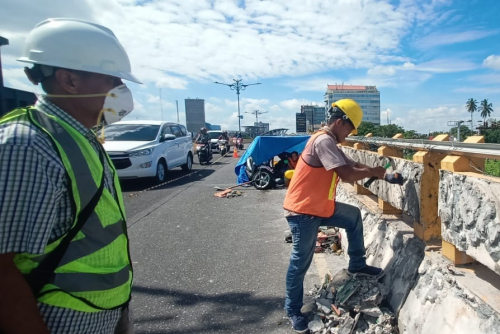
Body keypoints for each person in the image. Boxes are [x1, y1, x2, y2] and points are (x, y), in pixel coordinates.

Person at [0, 18, 140, 334]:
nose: (121, 90)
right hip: (60, 317)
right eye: (112, 79)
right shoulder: (27, 144)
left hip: (103, 311)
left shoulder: (82, 136)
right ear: (69, 80)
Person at [282, 99, 389, 333]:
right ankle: (292, 310)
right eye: (349, 129)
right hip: (303, 212)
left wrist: (383, 175)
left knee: (352, 216)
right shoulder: (322, 141)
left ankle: (357, 264)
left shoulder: (330, 141)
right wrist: (373, 172)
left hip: (318, 207)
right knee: (300, 263)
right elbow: (348, 174)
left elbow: (353, 163)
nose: (349, 135)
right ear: (340, 122)